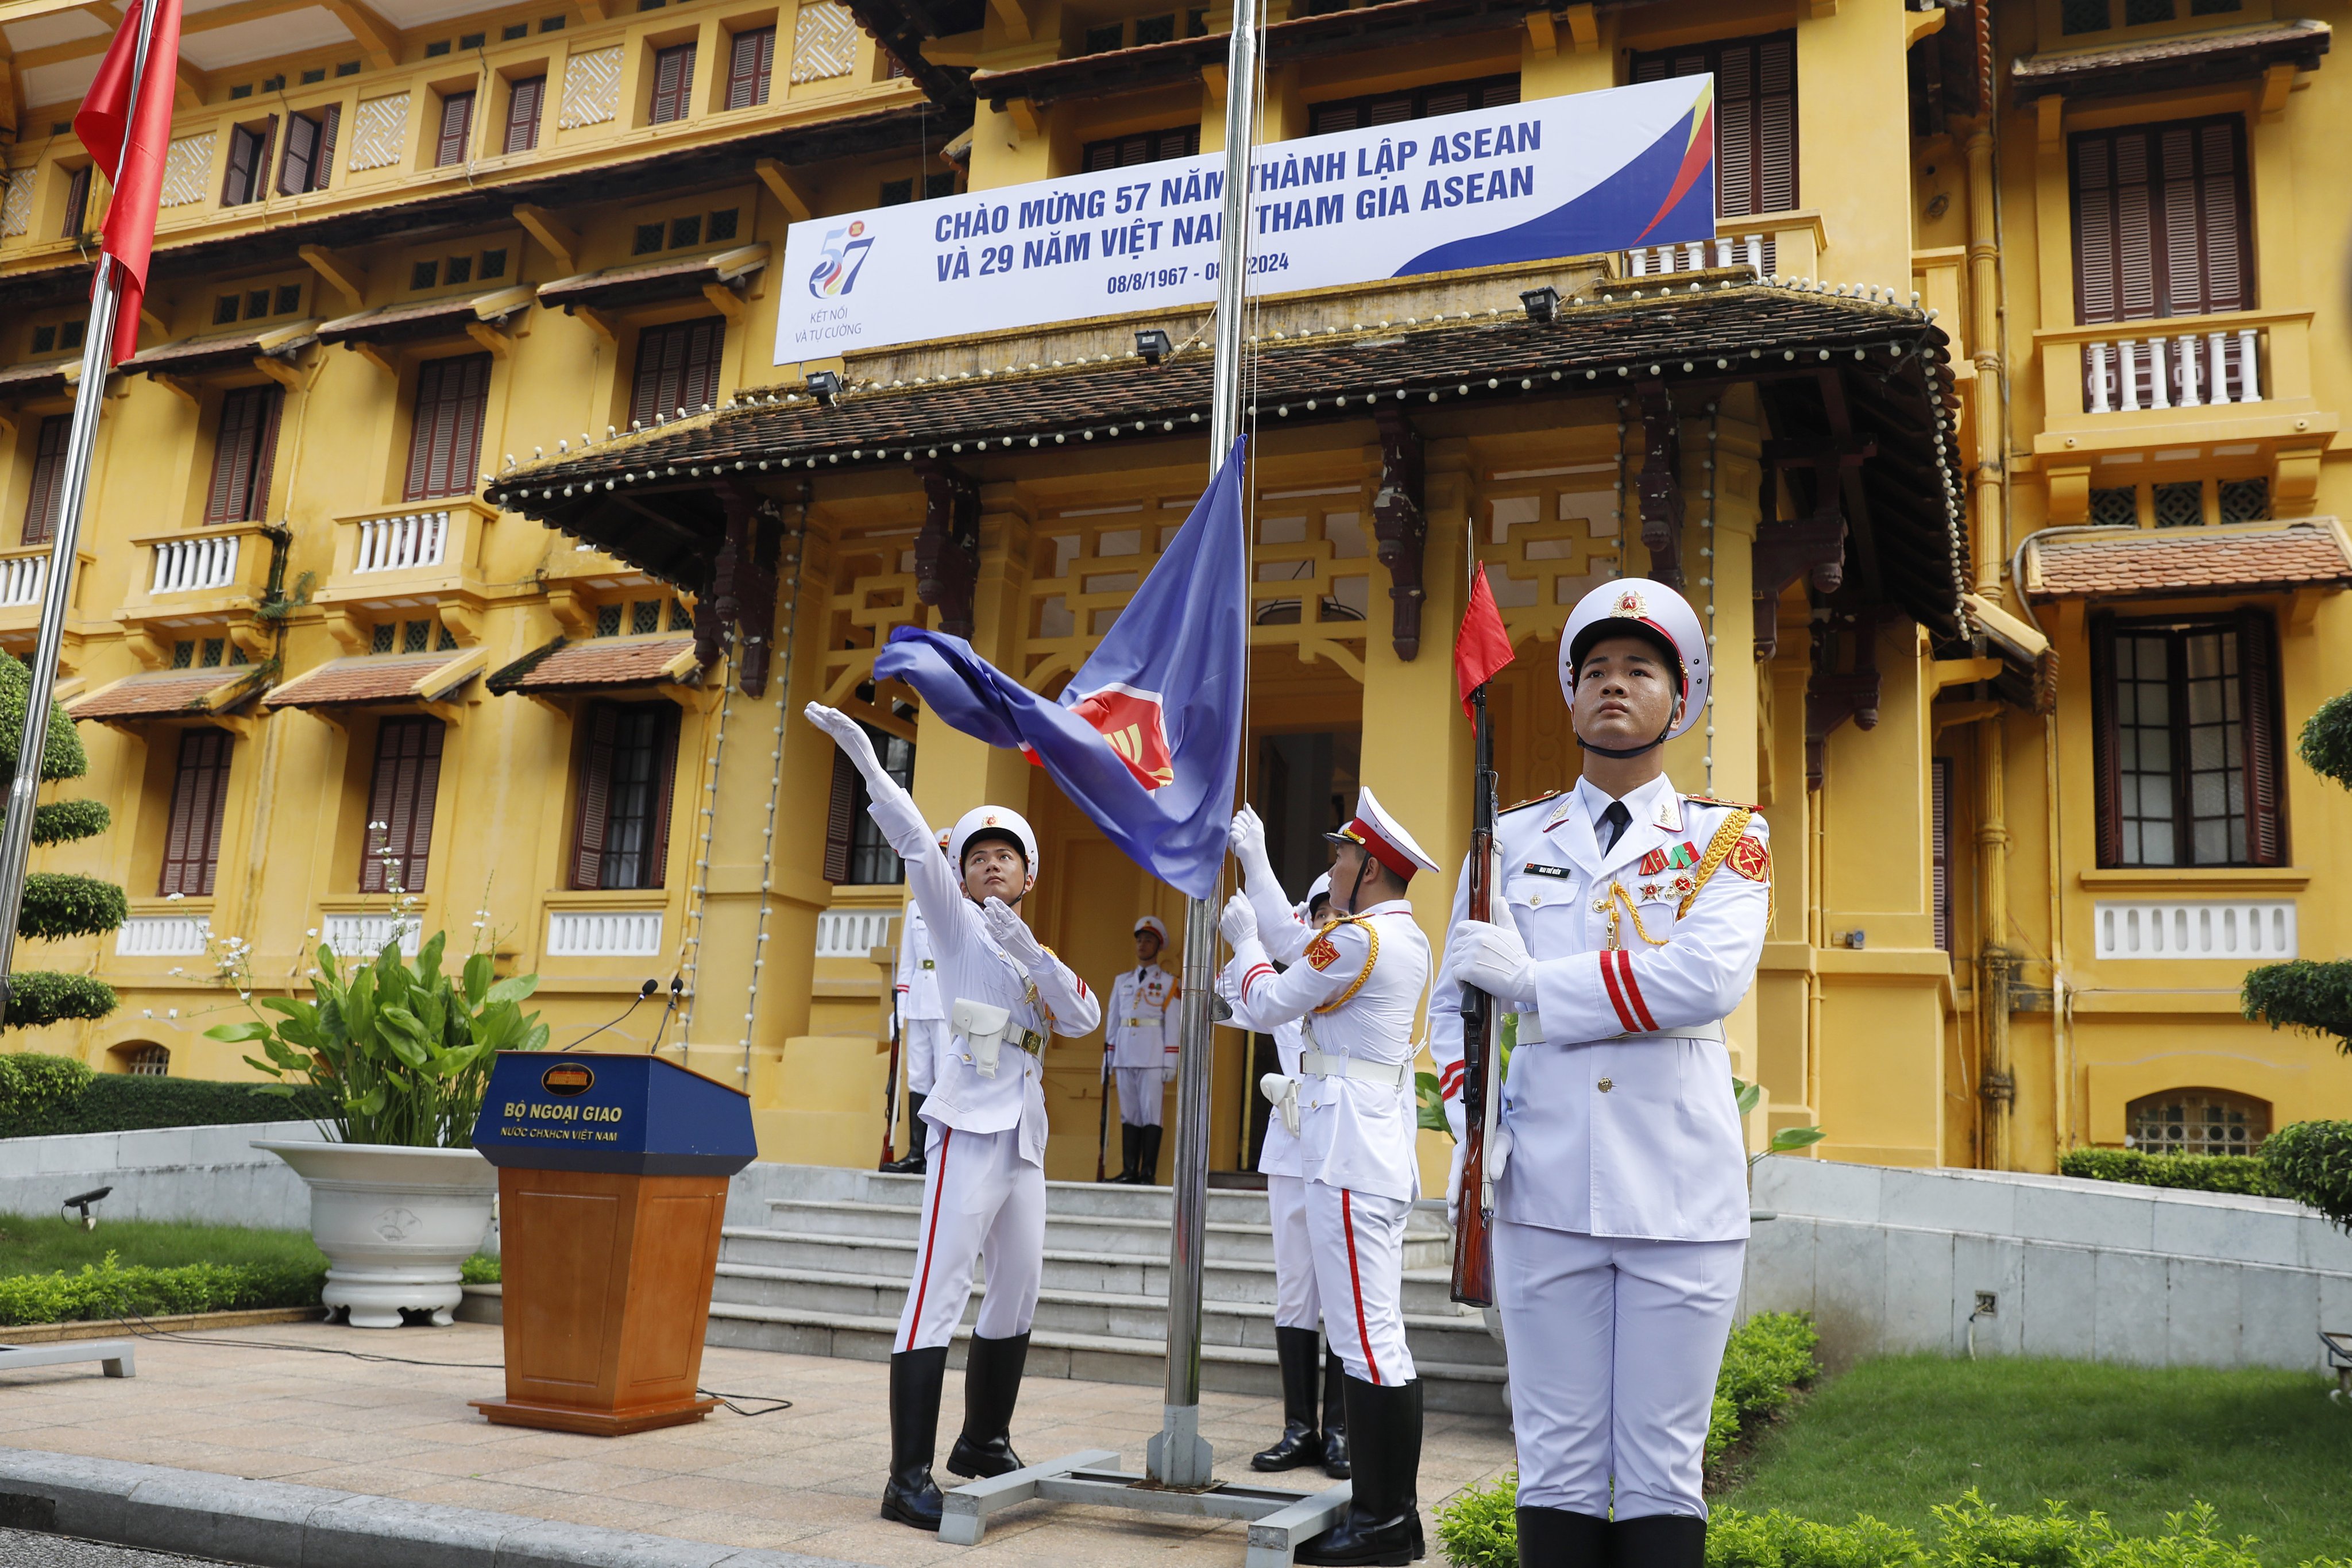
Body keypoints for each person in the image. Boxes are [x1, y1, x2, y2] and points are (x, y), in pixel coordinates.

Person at [1428, 579, 1770, 1568]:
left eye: (1639, 670)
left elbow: (1705, 978)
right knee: (1559, 1466)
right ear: (1572, 697)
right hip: (1540, 1182)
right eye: (1594, 671)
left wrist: (1537, 984)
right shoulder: (1508, 843)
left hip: (1680, 1193)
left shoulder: (1724, 840)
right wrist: (1471, 1131)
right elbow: (1454, 1009)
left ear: (1680, 697)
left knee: (1664, 1469)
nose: (1613, 686)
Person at [804, 702, 1102, 1532]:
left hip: (1022, 1136)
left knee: (1017, 1288)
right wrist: (868, 762)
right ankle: (906, 1475)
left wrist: (1030, 950)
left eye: (1007, 856)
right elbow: (909, 838)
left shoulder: (1025, 947)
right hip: (968, 1127)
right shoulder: (955, 923)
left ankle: (983, 1438)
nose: (992, 864)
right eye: (979, 856)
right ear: (961, 874)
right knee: (936, 1293)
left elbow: (1082, 1015)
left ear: (1028, 876)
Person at [1221, 788, 1435, 1567]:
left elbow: (1269, 997)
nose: (1333, 863)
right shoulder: (1383, 933)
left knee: (1365, 1341)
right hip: (1364, 1142)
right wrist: (1253, 863)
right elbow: (1297, 937)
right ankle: (1391, 1515)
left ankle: (1379, 1522)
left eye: (1342, 854)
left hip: (1345, 1151)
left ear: (1368, 869)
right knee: (1375, 1338)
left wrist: (1242, 941)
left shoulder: (1358, 942)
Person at [1217, 862, 1350, 1479]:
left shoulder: (1359, 974)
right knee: (1297, 1285)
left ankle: (1342, 1432)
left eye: (1337, 916)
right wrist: (1250, 941)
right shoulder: (1290, 978)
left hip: (1344, 1143)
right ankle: (1300, 1428)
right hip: (1292, 1142)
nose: (1328, 925)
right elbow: (1233, 999)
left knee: (1344, 1289)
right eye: (1319, 915)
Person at [885, 831, 951, 1176]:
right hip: (920, 1003)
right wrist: (900, 1009)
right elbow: (909, 963)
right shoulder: (915, 908)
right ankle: (917, 1153)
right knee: (919, 1077)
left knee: (945, 1075)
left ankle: (942, 1154)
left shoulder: (962, 904)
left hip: (948, 1005)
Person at [1103, 916, 1180, 1184]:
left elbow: (1172, 1023)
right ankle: (1128, 1171)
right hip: (1124, 1054)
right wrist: (1108, 1058)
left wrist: (1171, 1061)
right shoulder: (1122, 981)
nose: (1142, 944)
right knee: (1129, 1113)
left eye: (1149, 940)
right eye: (1139, 940)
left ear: (1159, 947)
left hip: (1152, 1056)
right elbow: (1113, 1022)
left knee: (1151, 1114)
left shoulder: (1169, 983)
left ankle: (1147, 1173)